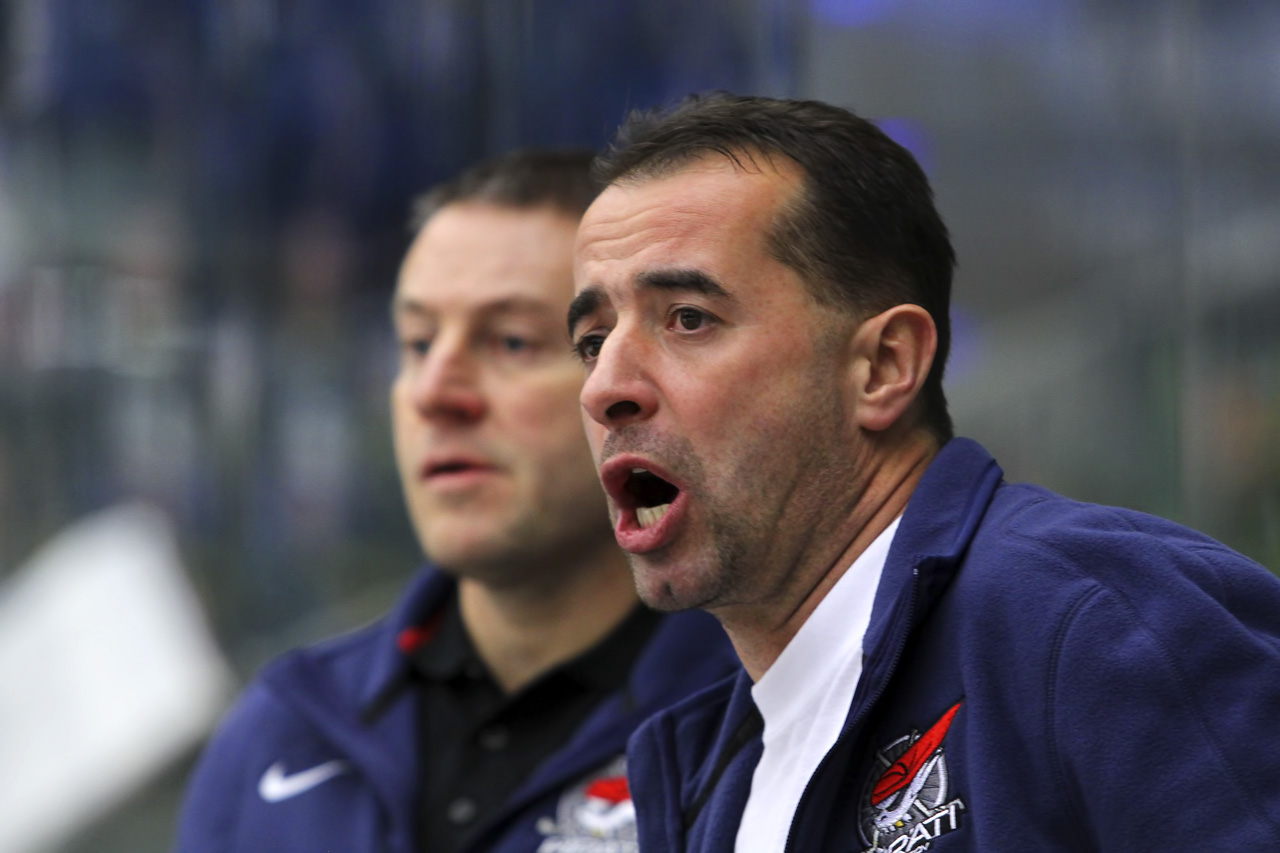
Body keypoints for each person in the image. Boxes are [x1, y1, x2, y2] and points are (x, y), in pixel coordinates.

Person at [567, 93, 1280, 852]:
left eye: (688, 318)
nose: (604, 387)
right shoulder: (704, 765)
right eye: (592, 340)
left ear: (884, 365)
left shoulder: (1100, 621)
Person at [175, 149, 739, 853]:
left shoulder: (760, 719)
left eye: (512, 342)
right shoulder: (284, 728)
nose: (436, 393)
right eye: (417, 343)